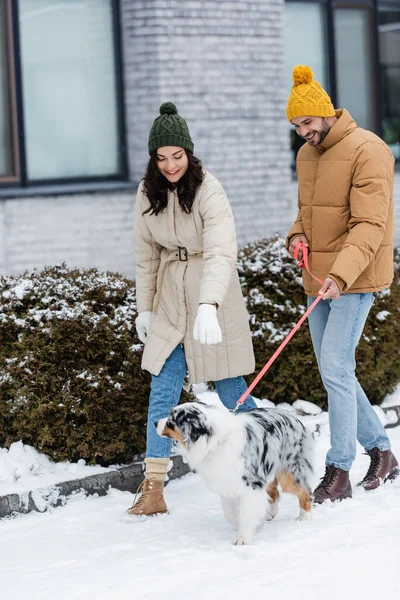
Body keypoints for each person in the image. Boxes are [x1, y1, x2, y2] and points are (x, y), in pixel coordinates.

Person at [128, 102, 257, 516]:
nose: (169, 165)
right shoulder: (147, 192)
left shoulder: (208, 189)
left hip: (210, 295)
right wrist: (143, 309)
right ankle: (153, 488)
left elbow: (221, 252)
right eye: (161, 157)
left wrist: (208, 305)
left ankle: (266, 461)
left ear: (189, 153)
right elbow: (146, 257)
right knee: (162, 390)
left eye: (177, 156)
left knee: (231, 389)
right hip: (169, 298)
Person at [286, 65, 399, 503]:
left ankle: (338, 470)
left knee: (335, 366)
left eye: (307, 123)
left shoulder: (369, 150)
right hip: (320, 279)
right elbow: (305, 212)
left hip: (354, 277)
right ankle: (383, 453)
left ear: (327, 113)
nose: (302, 133)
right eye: (296, 127)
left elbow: (370, 225)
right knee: (335, 371)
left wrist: (340, 276)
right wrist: (296, 237)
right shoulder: (306, 156)